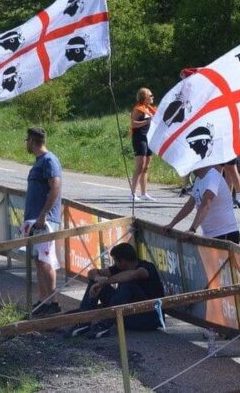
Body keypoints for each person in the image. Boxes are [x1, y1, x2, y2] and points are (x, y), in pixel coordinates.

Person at [70, 242, 165, 339]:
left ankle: (106, 325)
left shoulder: (146, 267)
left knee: (127, 284)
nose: (114, 264)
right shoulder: (119, 267)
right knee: (95, 283)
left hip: (149, 318)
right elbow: (92, 272)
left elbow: (132, 275)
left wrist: (104, 282)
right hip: (128, 313)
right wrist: (98, 279)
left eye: (115, 261)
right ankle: (84, 321)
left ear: (122, 261)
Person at [23, 127, 62, 316]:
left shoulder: (49, 160)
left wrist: (43, 215)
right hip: (36, 220)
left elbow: (55, 187)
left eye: (27, 140)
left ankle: (52, 302)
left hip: (44, 221)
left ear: (32, 140)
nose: (26, 144)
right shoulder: (40, 161)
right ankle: (42, 301)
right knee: (40, 261)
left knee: (45, 259)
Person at [165, 164, 240, 244]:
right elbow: (189, 205)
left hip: (225, 234)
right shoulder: (199, 179)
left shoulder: (212, 176)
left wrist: (192, 229)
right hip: (210, 235)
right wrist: (171, 224)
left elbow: (206, 205)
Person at [129, 88, 155, 202]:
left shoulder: (150, 109)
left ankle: (144, 193)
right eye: (150, 95)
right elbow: (133, 124)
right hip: (139, 139)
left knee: (146, 166)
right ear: (144, 98)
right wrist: (146, 122)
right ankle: (132, 193)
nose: (152, 97)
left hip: (148, 138)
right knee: (140, 166)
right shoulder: (138, 109)